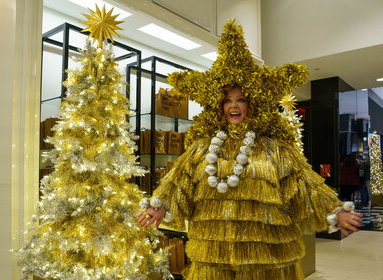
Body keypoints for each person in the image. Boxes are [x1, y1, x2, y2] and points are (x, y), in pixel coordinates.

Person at [138, 20, 362, 280]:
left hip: (266, 254)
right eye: (228, 101)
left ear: (252, 104)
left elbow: (306, 184)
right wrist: (160, 204)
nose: (234, 106)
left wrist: (335, 209)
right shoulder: (203, 147)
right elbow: (178, 180)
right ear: (219, 106)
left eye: (241, 99)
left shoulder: (274, 149)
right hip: (214, 252)